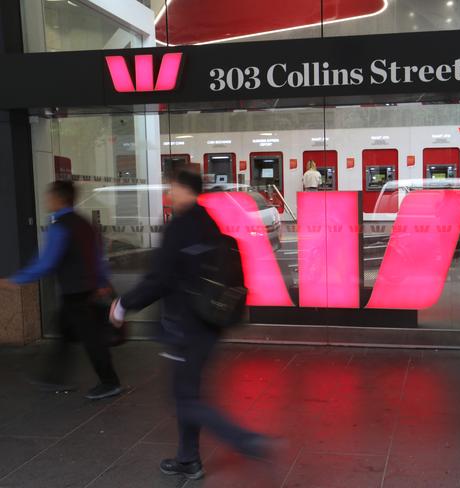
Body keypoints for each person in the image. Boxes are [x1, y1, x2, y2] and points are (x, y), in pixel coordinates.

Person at [109, 170, 270, 480]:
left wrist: (124, 305)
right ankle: (188, 459)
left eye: (172, 188)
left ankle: (245, 440)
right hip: (209, 322)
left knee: (183, 398)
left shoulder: (181, 226)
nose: (169, 194)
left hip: (185, 325)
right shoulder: (207, 221)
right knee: (188, 393)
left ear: (184, 189)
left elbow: (160, 278)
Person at [0, 180, 121, 400]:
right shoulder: (85, 224)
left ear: (59, 198)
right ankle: (53, 377)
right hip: (86, 289)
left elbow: (47, 262)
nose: (47, 200)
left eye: (49, 196)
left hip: (76, 291)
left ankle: (109, 382)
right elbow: (97, 257)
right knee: (65, 333)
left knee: (90, 339)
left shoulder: (60, 226)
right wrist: (102, 282)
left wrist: (17, 280)